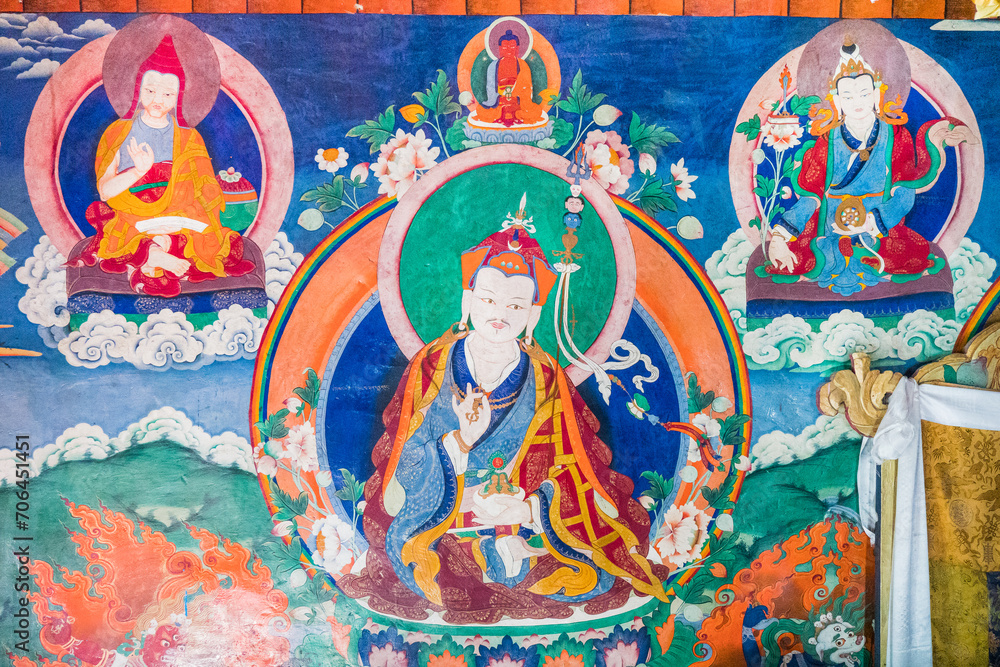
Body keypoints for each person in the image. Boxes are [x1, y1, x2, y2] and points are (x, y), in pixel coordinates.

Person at [338, 216, 669, 623]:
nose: (500, 314)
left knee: (592, 569)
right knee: (423, 569)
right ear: (467, 301)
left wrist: (529, 510)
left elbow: (575, 467)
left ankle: (514, 551)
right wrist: (459, 442)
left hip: (522, 518)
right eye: (489, 300)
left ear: (533, 315)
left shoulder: (546, 377)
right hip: (440, 518)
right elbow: (403, 462)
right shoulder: (433, 367)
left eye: (515, 306)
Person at [766, 38, 964, 297]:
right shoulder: (827, 141)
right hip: (829, 226)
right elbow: (811, 197)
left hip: (878, 226)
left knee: (905, 255)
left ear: (876, 95)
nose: (857, 101)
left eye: (864, 93)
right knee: (805, 258)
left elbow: (904, 194)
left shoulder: (896, 137)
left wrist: (872, 222)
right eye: (848, 96)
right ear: (837, 101)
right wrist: (780, 237)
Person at [73, 35, 254, 298]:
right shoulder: (118, 132)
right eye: (150, 91)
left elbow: (204, 189)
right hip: (135, 212)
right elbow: (105, 192)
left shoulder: (190, 137)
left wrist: (189, 213)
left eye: (168, 93)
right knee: (125, 232)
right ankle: (156, 254)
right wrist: (138, 172)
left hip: (182, 213)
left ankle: (156, 253)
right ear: (138, 90)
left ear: (179, 97)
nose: (158, 99)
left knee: (210, 237)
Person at [474, 30, 544, 128]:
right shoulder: (493, 66)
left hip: (518, 102)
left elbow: (527, 87)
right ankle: (512, 115)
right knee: (480, 110)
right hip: (499, 102)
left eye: (512, 46)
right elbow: (490, 87)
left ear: (517, 48)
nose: (509, 49)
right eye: (505, 46)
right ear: (500, 48)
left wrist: (516, 97)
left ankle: (517, 114)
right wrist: (499, 98)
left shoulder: (523, 65)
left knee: (537, 111)